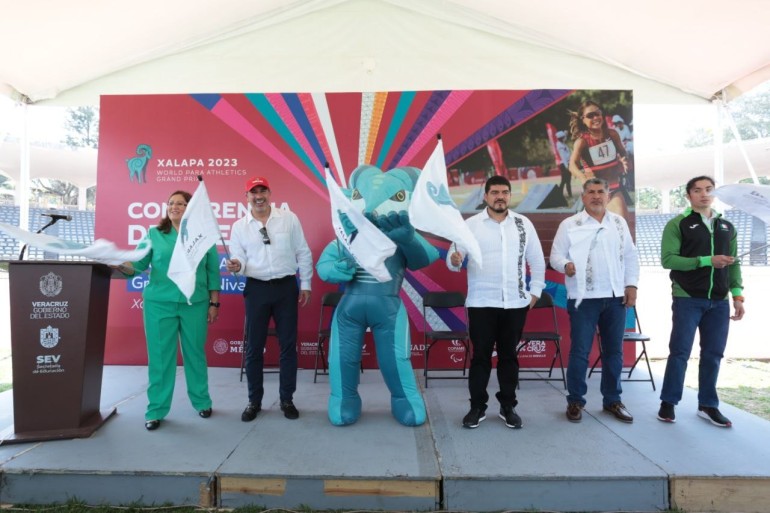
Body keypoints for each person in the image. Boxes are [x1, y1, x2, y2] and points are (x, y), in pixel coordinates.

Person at [448, 175, 546, 429]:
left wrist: (535, 293)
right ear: (486, 196)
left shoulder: (523, 224)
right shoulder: (470, 225)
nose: (500, 197)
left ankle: (508, 406)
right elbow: (453, 258)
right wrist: (455, 260)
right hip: (481, 303)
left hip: (515, 304)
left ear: (510, 196)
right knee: (480, 357)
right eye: (494, 192)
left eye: (504, 192)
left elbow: (536, 260)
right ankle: (477, 407)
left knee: (508, 357)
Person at [119, 190, 221, 431]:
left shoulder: (203, 236)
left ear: (190, 208)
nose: (174, 206)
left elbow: (212, 272)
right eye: (171, 203)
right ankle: (156, 410)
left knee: (195, 355)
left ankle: (202, 402)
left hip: (194, 303)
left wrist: (214, 303)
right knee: (160, 358)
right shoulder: (154, 234)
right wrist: (121, 264)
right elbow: (138, 264)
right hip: (159, 304)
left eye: (181, 203)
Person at [550, 178, 639, 424]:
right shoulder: (570, 224)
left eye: (601, 191)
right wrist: (565, 265)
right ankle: (575, 401)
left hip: (615, 297)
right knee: (580, 351)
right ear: (583, 197)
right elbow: (555, 255)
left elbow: (630, 256)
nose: (596, 196)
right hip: (583, 299)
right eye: (591, 192)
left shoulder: (619, 223)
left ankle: (612, 400)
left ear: (608, 195)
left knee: (614, 352)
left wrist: (632, 285)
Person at [657, 176, 745, 427]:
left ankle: (707, 405)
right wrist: (707, 260)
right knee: (680, 352)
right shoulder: (678, 224)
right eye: (697, 190)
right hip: (687, 297)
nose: (703, 194)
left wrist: (737, 295)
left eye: (708, 189)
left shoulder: (727, 226)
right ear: (688, 196)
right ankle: (668, 402)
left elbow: (734, 265)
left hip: (720, 301)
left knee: (713, 354)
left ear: (714, 193)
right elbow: (668, 260)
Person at [226, 176, 312, 422]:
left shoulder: (289, 218)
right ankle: (254, 401)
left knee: (288, 346)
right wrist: (236, 265)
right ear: (246, 197)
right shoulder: (239, 226)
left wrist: (305, 283)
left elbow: (303, 252)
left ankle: (287, 399)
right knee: (254, 347)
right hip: (257, 289)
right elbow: (239, 258)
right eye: (254, 192)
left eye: (262, 191)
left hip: (286, 287)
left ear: (270, 193)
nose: (259, 196)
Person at [569, 100, 630, 217]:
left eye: (598, 113)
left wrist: (624, 160)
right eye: (590, 115)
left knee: (622, 222)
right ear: (583, 120)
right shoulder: (582, 141)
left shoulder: (612, 134)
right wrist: (583, 178)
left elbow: (623, 152)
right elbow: (572, 165)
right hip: (594, 192)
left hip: (614, 188)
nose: (596, 118)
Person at [555, 130, 573, 199]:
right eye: (564, 137)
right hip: (564, 165)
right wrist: (567, 166)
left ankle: (568, 194)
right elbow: (563, 157)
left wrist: (565, 133)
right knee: (564, 181)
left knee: (567, 181)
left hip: (566, 164)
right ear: (561, 138)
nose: (565, 138)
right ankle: (560, 195)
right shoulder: (560, 145)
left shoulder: (562, 144)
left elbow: (565, 136)